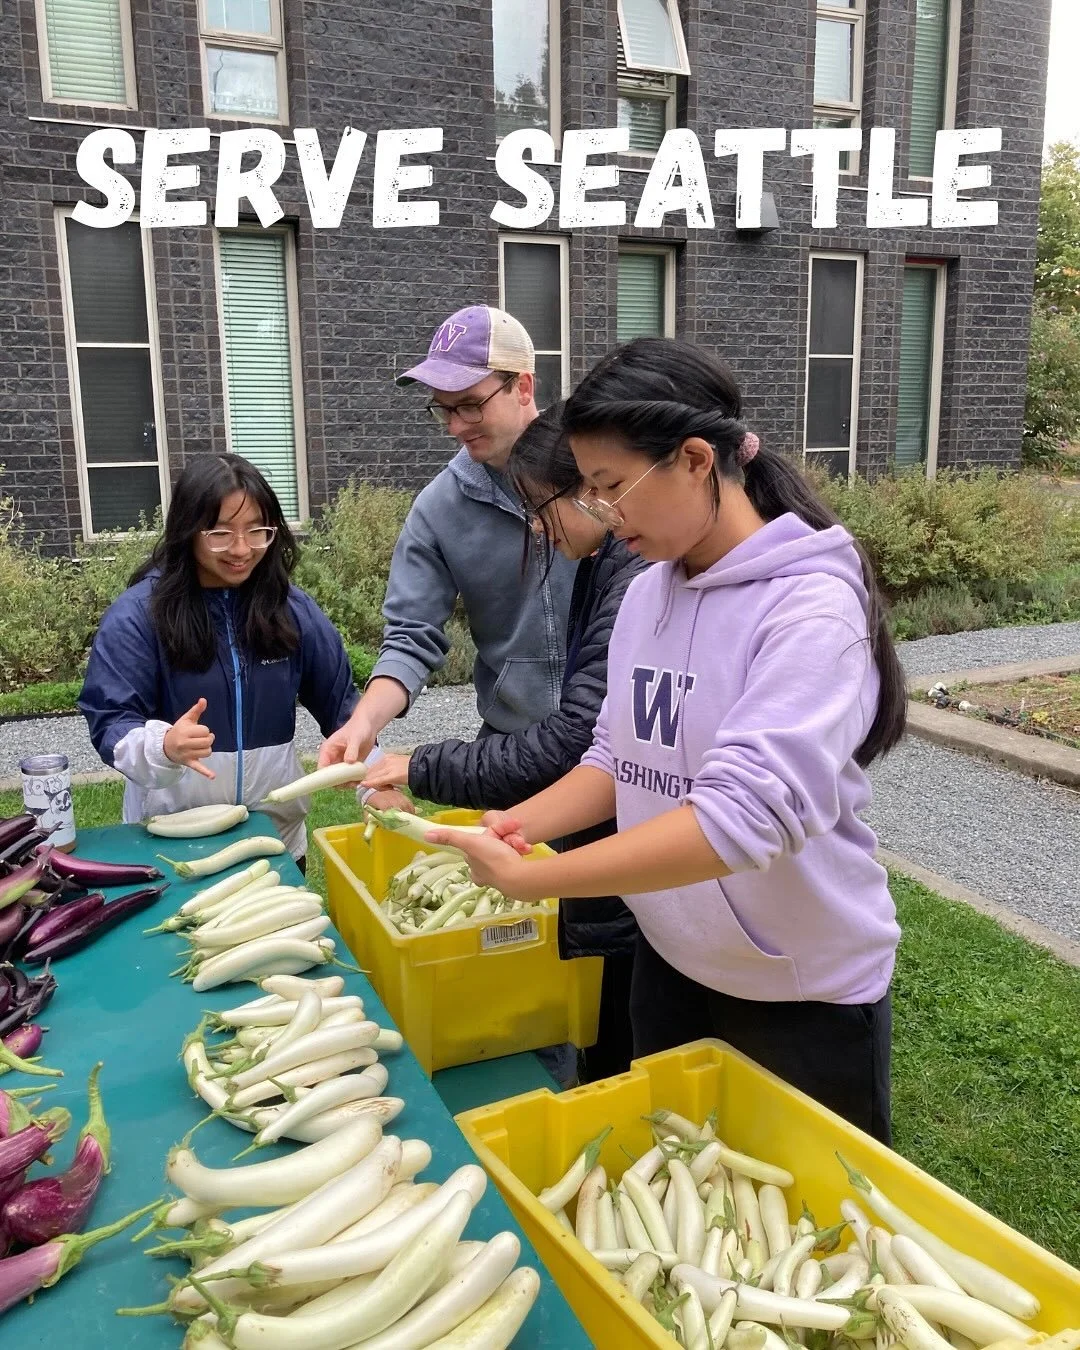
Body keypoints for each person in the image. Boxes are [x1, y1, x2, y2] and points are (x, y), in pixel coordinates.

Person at [422, 338, 907, 1143]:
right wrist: (520, 827)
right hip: (672, 967)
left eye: (612, 487)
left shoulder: (810, 610)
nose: (603, 515)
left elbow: (738, 820)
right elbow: (617, 756)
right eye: (589, 491)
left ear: (693, 460)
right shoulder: (650, 593)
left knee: (817, 1236)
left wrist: (545, 881)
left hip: (801, 996)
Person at [361, 405, 648, 1082]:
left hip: (759, 950)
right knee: (590, 977)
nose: (539, 533)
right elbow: (604, 751)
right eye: (439, 406)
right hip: (553, 781)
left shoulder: (632, 572)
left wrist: (421, 767)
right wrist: (517, 824)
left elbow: (585, 739)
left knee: (617, 997)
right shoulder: (451, 507)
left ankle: (596, 1069)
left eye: (469, 401)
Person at [318, 306, 576, 773]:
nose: (456, 426)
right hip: (511, 753)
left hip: (615, 742)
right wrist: (364, 722)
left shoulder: (598, 477)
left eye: (470, 404)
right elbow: (410, 637)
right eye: (444, 408)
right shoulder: (438, 508)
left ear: (522, 386)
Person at [79, 453, 369, 866]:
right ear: (188, 531)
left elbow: (345, 712)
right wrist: (164, 746)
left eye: (258, 532)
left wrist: (374, 782)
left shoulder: (292, 611)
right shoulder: (139, 615)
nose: (241, 549)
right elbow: (111, 721)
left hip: (275, 843)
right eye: (220, 533)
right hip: (173, 844)